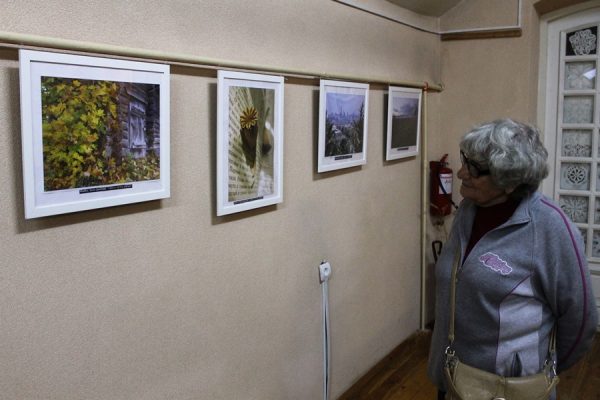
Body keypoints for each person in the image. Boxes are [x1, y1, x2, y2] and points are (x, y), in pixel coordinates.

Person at [427, 119, 598, 400]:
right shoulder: (468, 211)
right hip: (452, 378)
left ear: (509, 181)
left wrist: (536, 371)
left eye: (474, 169)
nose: (461, 173)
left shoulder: (550, 228)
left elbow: (581, 321)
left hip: (505, 391)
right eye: (464, 161)